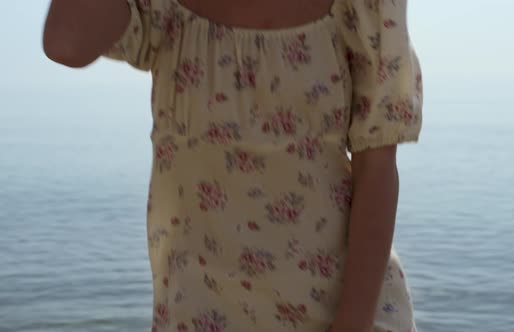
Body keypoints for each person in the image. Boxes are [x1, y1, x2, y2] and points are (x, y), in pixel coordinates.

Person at [43, 0, 423, 331]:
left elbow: (376, 167)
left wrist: (351, 326)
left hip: (342, 312)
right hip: (199, 313)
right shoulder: (163, 6)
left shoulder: (364, 6)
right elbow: (66, 42)